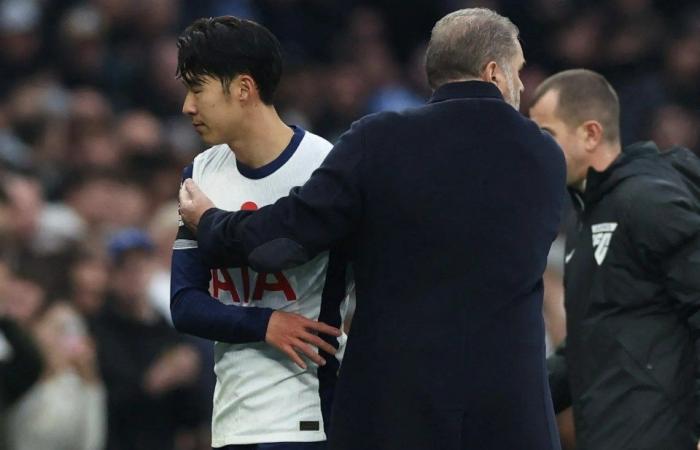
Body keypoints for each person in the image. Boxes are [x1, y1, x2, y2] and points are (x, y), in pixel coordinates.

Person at [179, 8, 566, 450]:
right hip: (509, 410)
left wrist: (210, 223)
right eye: (518, 71)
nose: (521, 85)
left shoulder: (377, 141)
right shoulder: (545, 156)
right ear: (494, 72)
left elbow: (282, 241)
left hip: (396, 409)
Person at [170, 16, 352, 450]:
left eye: (197, 89)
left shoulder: (325, 167)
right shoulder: (201, 173)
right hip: (232, 418)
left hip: (309, 413)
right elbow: (184, 303)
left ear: (243, 89)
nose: (187, 106)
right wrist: (264, 322)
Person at [529, 69, 700, 450]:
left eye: (547, 136)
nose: (537, 150)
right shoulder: (584, 222)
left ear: (591, 133)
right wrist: (510, 402)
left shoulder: (645, 201)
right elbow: (587, 347)